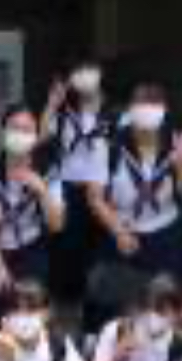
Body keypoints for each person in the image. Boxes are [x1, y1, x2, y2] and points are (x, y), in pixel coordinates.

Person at [85, 83, 182, 287]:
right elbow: (94, 197)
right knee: (120, 299)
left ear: (164, 111)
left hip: (166, 236)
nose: (147, 112)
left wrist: (181, 168)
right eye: (141, 105)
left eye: (154, 105)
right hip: (121, 232)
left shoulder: (178, 144)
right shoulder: (109, 145)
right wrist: (119, 232)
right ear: (130, 110)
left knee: (165, 298)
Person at [0, 104, 66, 326]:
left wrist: (42, 190)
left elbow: (57, 225)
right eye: (14, 128)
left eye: (27, 130)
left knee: (29, 314)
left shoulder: (48, 169)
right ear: (2, 132)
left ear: (36, 135)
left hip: (31, 248)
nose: (20, 135)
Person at [41, 56, 119, 301]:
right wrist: (52, 104)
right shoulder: (65, 114)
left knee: (99, 249)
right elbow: (41, 136)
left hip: (102, 192)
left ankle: (95, 300)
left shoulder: (114, 114)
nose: (84, 76)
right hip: (69, 188)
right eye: (79, 71)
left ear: (100, 75)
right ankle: (66, 301)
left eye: (89, 70)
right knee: (67, 248)